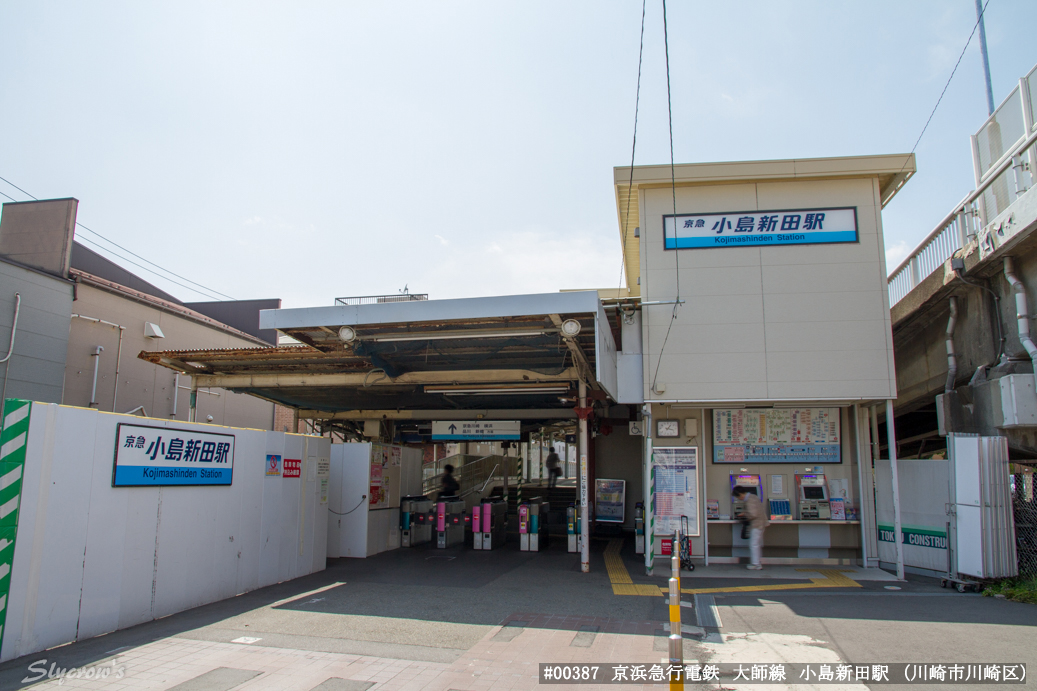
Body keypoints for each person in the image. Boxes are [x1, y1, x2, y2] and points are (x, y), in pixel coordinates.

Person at [733, 486, 768, 570]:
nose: (739, 499)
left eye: (738, 497)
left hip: (756, 525)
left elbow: (753, 514)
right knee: (756, 544)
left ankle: (756, 564)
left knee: (754, 545)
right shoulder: (754, 497)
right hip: (761, 524)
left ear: (740, 494)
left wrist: (744, 515)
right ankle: (757, 562)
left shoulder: (749, 500)